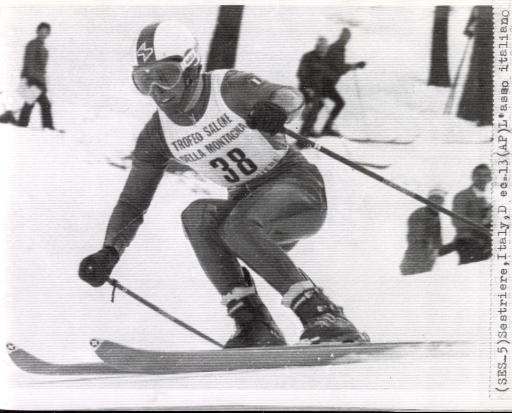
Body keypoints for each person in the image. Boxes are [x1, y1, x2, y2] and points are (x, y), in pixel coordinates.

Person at [78, 21, 367, 348]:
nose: (157, 91)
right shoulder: (156, 135)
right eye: (144, 81)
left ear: (191, 68)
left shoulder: (228, 88)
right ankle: (254, 325)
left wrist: (277, 109)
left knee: (237, 225)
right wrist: (110, 251)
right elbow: (132, 204)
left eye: (166, 76)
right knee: (197, 216)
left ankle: (324, 314)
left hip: (297, 189)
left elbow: (290, 95)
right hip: (248, 210)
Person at [440, 164, 492, 264]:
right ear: (472, 177)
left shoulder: (488, 198)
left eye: (485, 175)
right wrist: (483, 221)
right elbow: (457, 221)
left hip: (487, 244)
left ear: (490, 178)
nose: (482, 178)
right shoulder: (462, 195)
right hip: (468, 243)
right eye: (478, 175)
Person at [320, 28, 366, 136]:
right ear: (341, 36)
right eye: (345, 37)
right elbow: (339, 67)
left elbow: (339, 67)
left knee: (320, 105)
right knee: (339, 103)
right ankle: (321, 129)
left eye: (348, 38)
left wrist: (354, 66)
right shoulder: (336, 48)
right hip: (326, 82)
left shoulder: (338, 48)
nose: (346, 40)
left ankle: (314, 129)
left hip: (327, 81)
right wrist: (354, 66)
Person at [400, 189, 446, 275]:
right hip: (416, 253)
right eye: (434, 199)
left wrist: (436, 249)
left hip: (428, 255)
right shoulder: (419, 213)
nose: (437, 202)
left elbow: (437, 237)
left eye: (440, 200)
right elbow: (415, 234)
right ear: (428, 200)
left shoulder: (436, 216)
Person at [18, 22, 55, 130]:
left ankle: (21, 126)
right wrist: (30, 80)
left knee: (31, 103)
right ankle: (47, 127)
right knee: (42, 104)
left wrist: (43, 83)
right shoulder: (33, 44)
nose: (43, 34)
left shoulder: (44, 49)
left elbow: (42, 69)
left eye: (46, 32)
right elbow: (28, 62)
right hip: (32, 79)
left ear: (48, 34)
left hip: (39, 80)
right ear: (37, 31)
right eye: (41, 31)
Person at [297, 37, 329, 137]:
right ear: (317, 46)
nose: (323, 48)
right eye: (321, 46)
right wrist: (307, 88)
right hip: (307, 88)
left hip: (317, 90)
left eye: (325, 46)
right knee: (313, 108)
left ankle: (309, 129)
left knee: (319, 105)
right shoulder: (308, 56)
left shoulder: (323, 59)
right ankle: (302, 136)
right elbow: (301, 74)